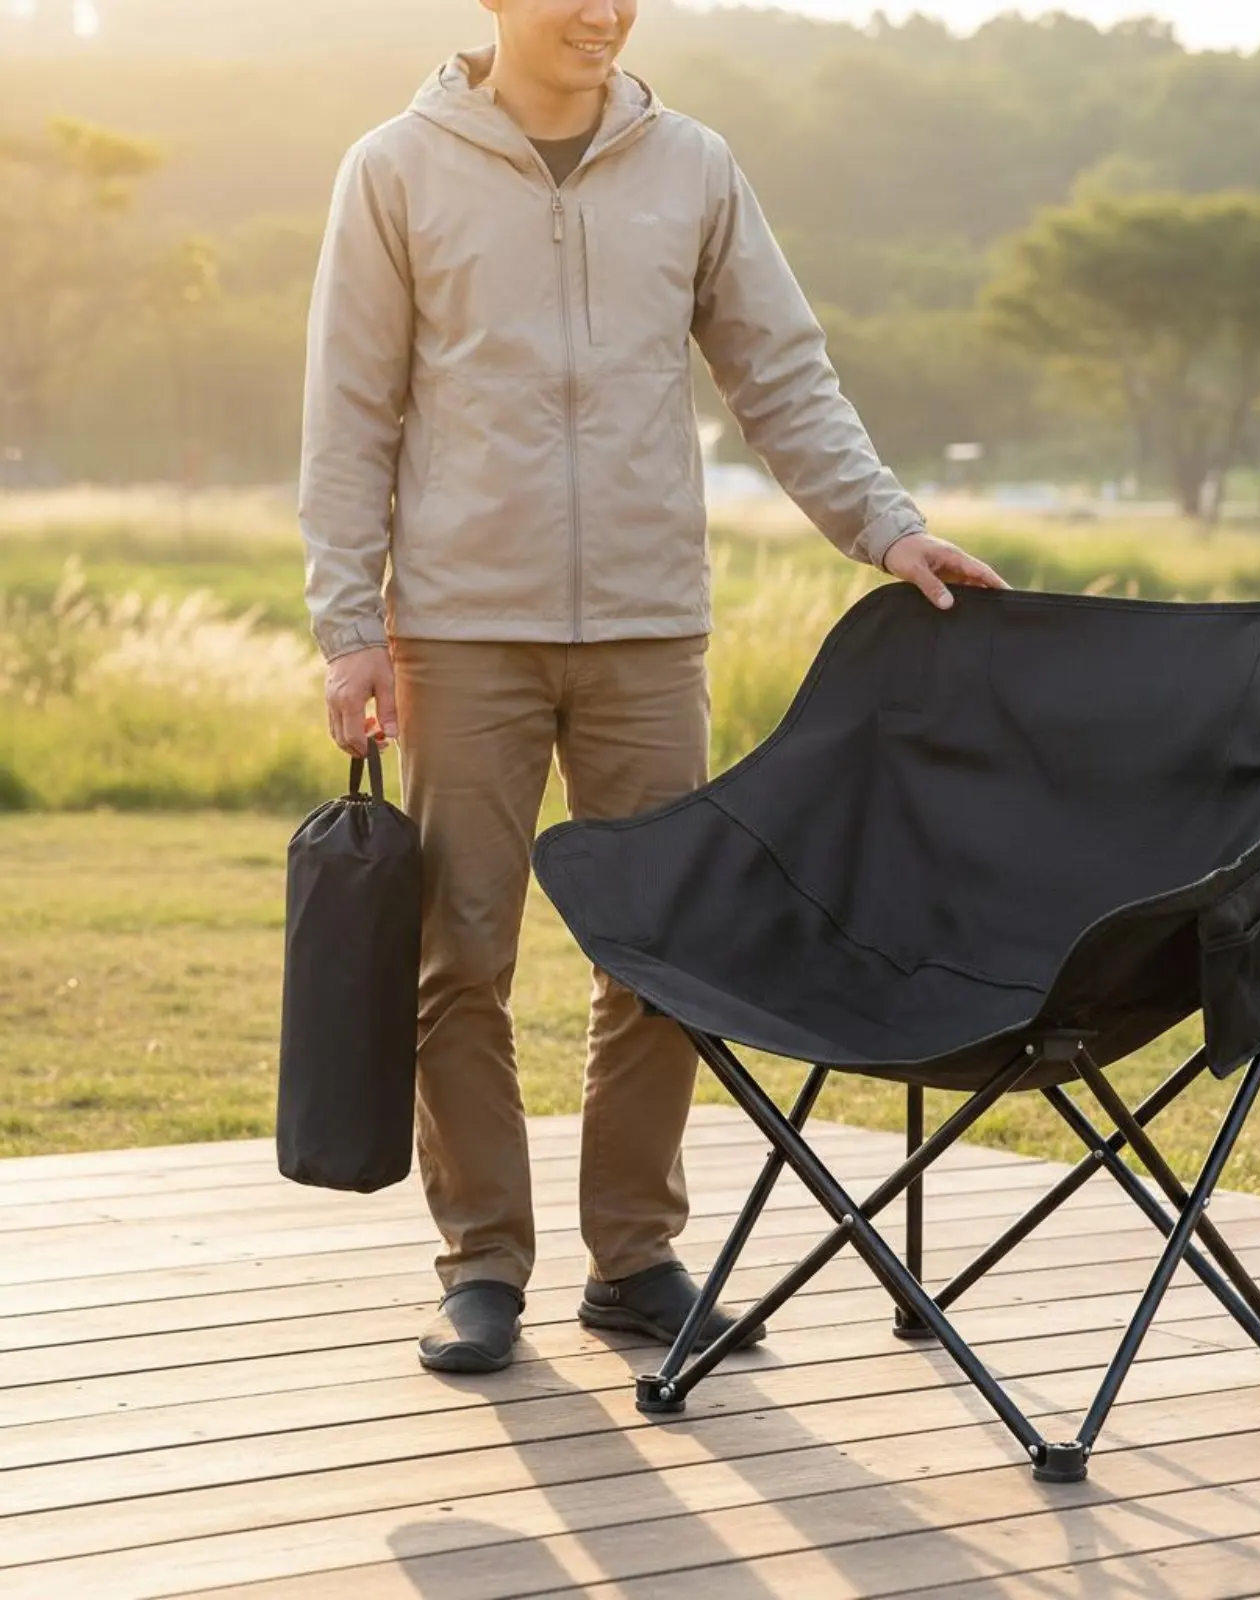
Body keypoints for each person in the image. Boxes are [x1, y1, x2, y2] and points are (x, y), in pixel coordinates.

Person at [299, 0, 1006, 1375]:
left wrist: (885, 525)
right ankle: (484, 1266)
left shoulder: (696, 168)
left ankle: (634, 1260)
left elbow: (780, 374)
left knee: (665, 948)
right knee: (459, 957)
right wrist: (348, 627)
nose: (603, 9)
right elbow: (350, 409)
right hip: (461, 629)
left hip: (646, 626)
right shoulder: (394, 168)